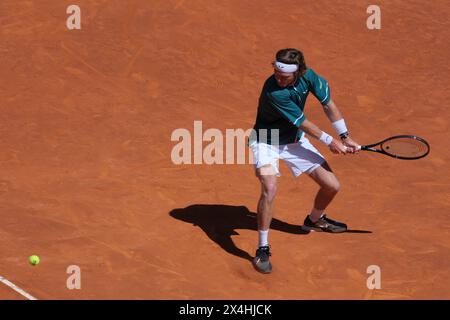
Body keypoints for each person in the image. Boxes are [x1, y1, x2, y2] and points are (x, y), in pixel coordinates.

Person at [248, 48, 360, 274]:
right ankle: (263, 247)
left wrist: (345, 137)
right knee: (269, 187)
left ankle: (314, 220)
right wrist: (330, 140)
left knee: (332, 186)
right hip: (265, 142)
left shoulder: (310, 77)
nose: (278, 79)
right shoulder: (274, 91)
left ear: (299, 72)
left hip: (293, 142)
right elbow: (303, 123)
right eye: (276, 73)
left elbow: (328, 105)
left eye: (284, 77)